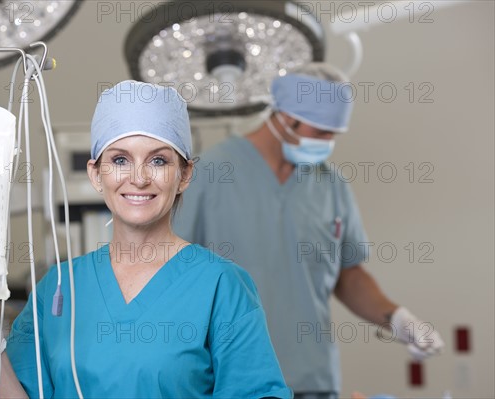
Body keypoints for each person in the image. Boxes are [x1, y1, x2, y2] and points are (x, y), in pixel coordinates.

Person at [0, 80, 292, 399]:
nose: (138, 178)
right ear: (96, 174)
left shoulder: (220, 286)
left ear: (184, 174)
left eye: (158, 160)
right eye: (120, 160)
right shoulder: (60, 288)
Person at [173, 63, 444, 399]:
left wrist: (398, 318)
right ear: (286, 118)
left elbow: (349, 274)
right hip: (233, 381)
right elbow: (173, 275)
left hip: (313, 380)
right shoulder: (211, 174)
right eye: (321, 133)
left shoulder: (331, 186)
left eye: (334, 134)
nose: (328, 143)